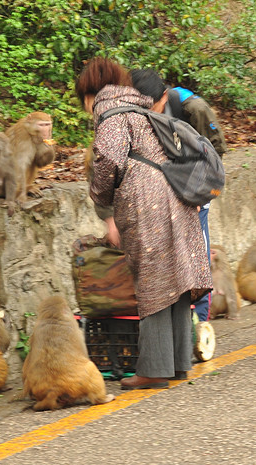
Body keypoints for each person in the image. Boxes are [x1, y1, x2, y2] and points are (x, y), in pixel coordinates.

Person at [76, 58, 212, 389]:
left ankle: (153, 369)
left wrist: (101, 198)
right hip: (177, 196)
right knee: (176, 281)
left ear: (89, 94)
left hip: (147, 203)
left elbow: (108, 158)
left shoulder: (110, 113)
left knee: (151, 282)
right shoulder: (140, 108)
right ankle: (177, 364)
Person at [128, 69, 223, 327]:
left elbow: (215, 153)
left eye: (151, 107)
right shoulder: (130, 110)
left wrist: (197, 193)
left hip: (192, 188)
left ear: (163, 97)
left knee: (196, 253)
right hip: (156, 190)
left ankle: (200, 322)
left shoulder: (193, 108)